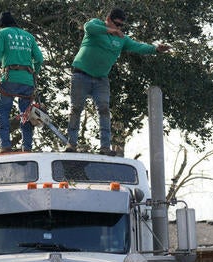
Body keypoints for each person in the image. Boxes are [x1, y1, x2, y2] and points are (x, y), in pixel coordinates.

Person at [66, 8, 170, 156]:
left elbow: (138, 46)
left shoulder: (122, 39)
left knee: (104, 110)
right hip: (81, 75)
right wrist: (110, 30)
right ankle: (71, 143)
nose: (118, 28)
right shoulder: (97, 26)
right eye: (116, 24)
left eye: (121, 26)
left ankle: (105, 147)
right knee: (76, 109)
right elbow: (88, 27)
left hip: (101, 79)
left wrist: (156, 49)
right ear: (108, 19)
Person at [0, 11, 43, 153]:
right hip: (27, 81)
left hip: (9, 78)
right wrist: (34, 74)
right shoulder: (28, 36)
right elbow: (39, 59)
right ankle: (27, 147)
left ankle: (5, 145)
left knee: (3, 112)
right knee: (26, 114)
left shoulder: (2, 34)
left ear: (1, 25)